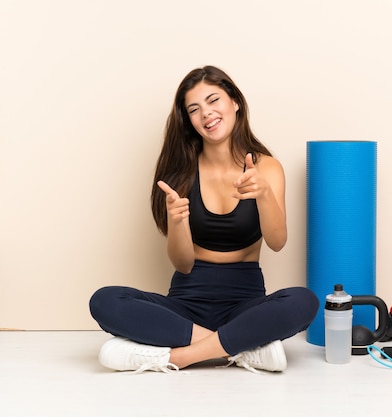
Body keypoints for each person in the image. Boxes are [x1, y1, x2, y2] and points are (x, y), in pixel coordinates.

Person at [89, 66, 319, 373]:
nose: (206, 114)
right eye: (194, 109)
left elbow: (277, 242)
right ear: (189, 120)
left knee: (304, 301)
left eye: (214, 100)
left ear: (235, 101)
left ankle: (178, 357)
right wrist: (177, 220)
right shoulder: (180, 174)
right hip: (185, 305)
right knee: (104, 301)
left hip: (244, 304)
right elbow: (183, 264)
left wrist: (264, 194)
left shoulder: (267, 167)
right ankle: (238, 349)